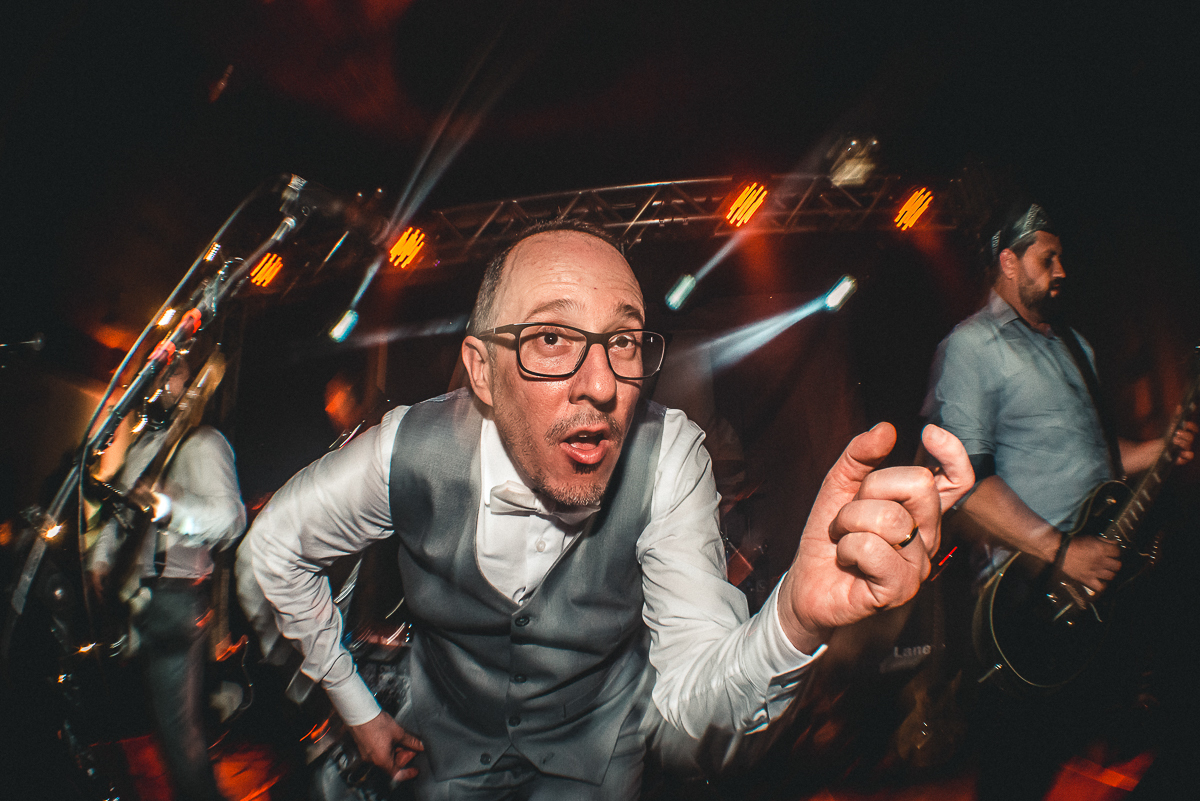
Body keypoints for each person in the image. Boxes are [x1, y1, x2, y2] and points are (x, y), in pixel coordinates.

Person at [244, 219, 973, 799]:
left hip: (597, 770)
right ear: (481, 372)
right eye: (551, 338)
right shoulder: (404, 449)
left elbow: (693, 713)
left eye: (622, 340)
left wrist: (793, 620)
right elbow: (271, 551)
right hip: (441, 760)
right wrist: (356, 709)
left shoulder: (669, 456)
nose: (601, 383)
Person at [922, 202, 1195, 799]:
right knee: (1017, 777)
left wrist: (1161, 448)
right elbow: (964, 484)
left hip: (1105, 586)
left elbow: (1099, 457)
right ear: (1009, 262)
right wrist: (1062, 551)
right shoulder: (973, 346)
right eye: (1048, 258)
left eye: (1063, 258)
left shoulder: (1077, 347)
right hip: (1031, 605)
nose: (1062, 270)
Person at [88, 354, 247, 801]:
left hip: (177, 597)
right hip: (134, 600)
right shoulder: (142, 447)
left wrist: (172, 510)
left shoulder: (203, 442)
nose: (163, 381)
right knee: (156, 726)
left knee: (176, 729)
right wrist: (100, 559)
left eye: (174, 372)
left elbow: (231, 520)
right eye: (158, 372)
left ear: (190, 379)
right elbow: (120, 517)